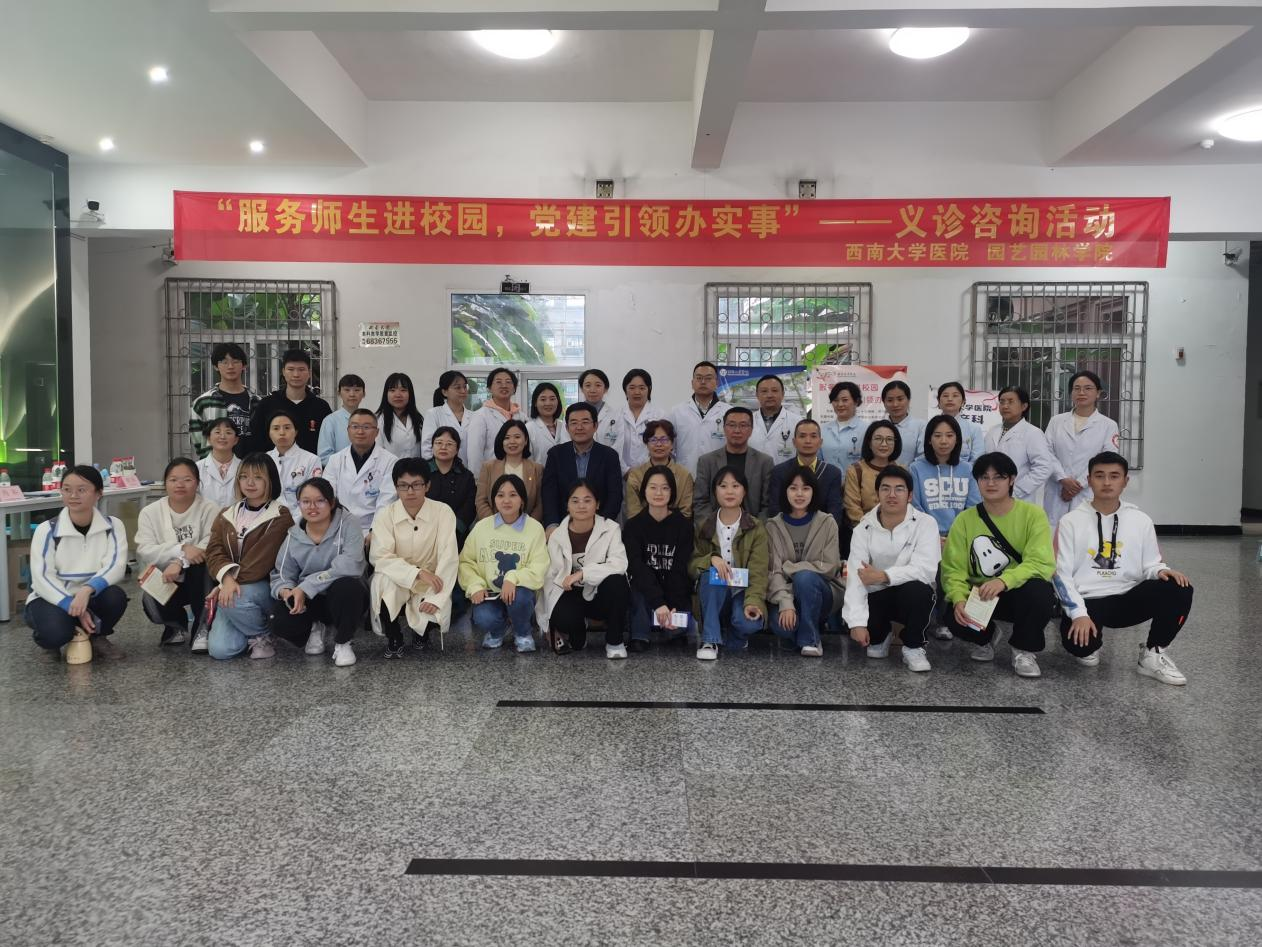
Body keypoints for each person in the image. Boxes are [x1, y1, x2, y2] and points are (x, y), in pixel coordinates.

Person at [1053, 451, 1193, 685]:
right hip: (1088, 600)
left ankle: (1153, 653)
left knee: (1179, 587)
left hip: (1127, 598)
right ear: (1089, 480)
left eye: (1114, 476)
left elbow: (1151, 563)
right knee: (1081, 648)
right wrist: (1078, 614)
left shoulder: (1141, 520)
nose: (1107, 482)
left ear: (1125, 481)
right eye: (1099, 476)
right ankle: (1091, 643)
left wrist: (1160, 571)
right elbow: (1060, 575)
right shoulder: (1070, 522)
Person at [941, 452, 1057, 678]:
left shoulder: (1032, 515)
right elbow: (953, 569)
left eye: (998, 477)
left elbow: (1041, 562)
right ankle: (986, 638)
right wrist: (958, 598)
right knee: (953, 617)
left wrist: (1004, 581)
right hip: (982, 594)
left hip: (1018, 591)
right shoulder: (964, 520)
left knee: (1040, 593)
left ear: (1012, 480)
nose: (991, 483)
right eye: (984, 477)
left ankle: (1023, 650)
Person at [843, 466, 941, 672]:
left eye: (899, 489)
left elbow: (925, 570)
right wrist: (856, 623)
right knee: (872, 648)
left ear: (910, 495)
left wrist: (883, 575)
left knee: (920, 590)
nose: (892, 495)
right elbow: (855, 576)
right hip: (877, 596)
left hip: (909, 595)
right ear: (877, 494)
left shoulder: (926, 523)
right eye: (885, 488)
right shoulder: (863, 528)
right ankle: (882, 635)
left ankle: (913, 646)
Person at [25, 465, 129, 660]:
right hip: (52, 599)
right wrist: (70, 604)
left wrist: (86, 591)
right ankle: (49, 641)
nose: (73, 495)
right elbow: (42, 578)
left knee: (115, 596)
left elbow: (116, 566)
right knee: (56, 633)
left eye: (82, 490)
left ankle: (97, 637)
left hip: (90, 596)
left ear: (98, 493)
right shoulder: (46, 530)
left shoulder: (113, 526)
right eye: (67, 489)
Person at [270, 477, 368, 667]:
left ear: (331, 502)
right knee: (279, 619)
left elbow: (350, 565)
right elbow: (282, 573)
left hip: (342, 596)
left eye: (320, 501)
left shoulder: (349, 524)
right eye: (306, 501)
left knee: (348, 587)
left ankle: (343, 641)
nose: (312, 507)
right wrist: (286, 591)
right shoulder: (294, 534)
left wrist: (306, 586)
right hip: (311, 600)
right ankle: (315, 626)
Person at [205, 454, 294, 660]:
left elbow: (260, 562)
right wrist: (226, 580)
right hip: (232, 586)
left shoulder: (280, 516)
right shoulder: (227, 513)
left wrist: (224, 585)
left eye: (258, 477)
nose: (249, 483)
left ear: (271, 480)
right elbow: (213, 550)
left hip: (265, 587)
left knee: (235, 598)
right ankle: (250, 627)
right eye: (244, 477)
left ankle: (263, 635)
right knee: (221, 651)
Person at [369, 459, 460, 659]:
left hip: (432, 578)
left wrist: (437, 598)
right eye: (403, 485)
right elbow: (380, 557)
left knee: (434, 605)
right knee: (382, 582)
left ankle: (422, 634)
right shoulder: (385, 515)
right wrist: (416, 573)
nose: (410, 491)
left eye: (417, 485)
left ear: (427, 486)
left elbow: (449, 557)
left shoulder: (443, 512)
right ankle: (394, 636)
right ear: (396, 488)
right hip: (398, 577)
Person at [536, 480, 632, 659]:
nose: (581, 505)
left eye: (587, 500)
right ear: (567, 506)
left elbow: (619, 564)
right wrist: (547, 623)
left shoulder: (611, 529)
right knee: (563, 621)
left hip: (599, 593)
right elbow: (549, 581)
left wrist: (583, 574)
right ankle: (579, 630)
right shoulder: (557, 536)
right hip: (571, 594)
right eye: (575, 501)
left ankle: (615, 641)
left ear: (597, 504)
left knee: (617, 582)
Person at [910, 415, 982, 640]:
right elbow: (914, 505)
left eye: (949, 435)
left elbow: (973, 506)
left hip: (959, 535)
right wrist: (933, 536)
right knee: (935, 570)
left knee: (963, 570)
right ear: (929, 439)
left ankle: (958, 621)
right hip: (925, 534)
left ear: (957, 439)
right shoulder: (916, 468)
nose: (943, 441)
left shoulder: (967, 469)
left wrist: (955, 537)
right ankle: (933, 621)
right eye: (938, 435)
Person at [459, 473, 550, 652]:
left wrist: (513, 578)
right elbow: (466, 562)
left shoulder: (534, 528)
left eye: (513, 495)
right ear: (494, 500)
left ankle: (522, 632)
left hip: (520, 592)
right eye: (500, 495)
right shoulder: (482, 527)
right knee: (483, 617)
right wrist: (475, 585)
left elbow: (539, 566)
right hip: (490, 592)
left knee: (521, 599)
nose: (506, 500)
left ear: (522, 500)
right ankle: (498, 631)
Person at [135, 458, 219, 646]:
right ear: (165, 483)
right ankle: (175, 625)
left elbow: (210, 543)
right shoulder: (150, 512)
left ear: (197, 483)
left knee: (202, 565)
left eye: (187, 479)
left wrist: (179, 561)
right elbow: (145, 549)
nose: (180, 485)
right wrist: (181, 549)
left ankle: (202, 628)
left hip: (200, 577)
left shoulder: (209, 508)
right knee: (150, 600)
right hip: (167, 576)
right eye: (173, 480)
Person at [690, 466, 768, 661]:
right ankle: (710, 640)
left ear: (744, 491)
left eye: (735, 486)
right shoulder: (704, 525)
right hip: (714, 593)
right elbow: (691, 565)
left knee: (749, 623)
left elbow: (759, 572)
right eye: (723, 486)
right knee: (711, 575)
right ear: (715, 492)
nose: (729, 491)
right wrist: (711, 559)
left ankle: (736, 635)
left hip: (742, 592)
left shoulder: (756, 527)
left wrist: (753, 602)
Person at [766, 467, 843, 657]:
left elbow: (829, 566)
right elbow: (773, 572)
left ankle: (810, 640)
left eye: (806, 488)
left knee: (805, 577)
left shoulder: (827, 522)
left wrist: (790, 568)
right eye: (793, 488)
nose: (799, 494)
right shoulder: (773, 526)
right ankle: (806, 629)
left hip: (821, 593)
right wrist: (786, 603)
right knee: (782, 627)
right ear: (785, 492)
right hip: (785, 593)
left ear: (814, 492)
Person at [622, 467, 696, 652]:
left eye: (665, 488)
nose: (658, 493)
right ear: (644, 491)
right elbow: (637, 567)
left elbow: (680, 568)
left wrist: (672, 606)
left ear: (672, 492)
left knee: (677, 639)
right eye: (653, 487)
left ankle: (674, 630)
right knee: (638, 585)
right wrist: (659, 602)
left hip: (675, 589)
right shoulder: (633, 526)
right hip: (646, 588)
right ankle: (640, 635)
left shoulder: (684, 526)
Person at [1043, 370, 1122, 529]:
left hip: (1087, 491)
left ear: (1098, 393)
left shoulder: (1108, 425)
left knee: (1087, 533)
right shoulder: (1056, 421)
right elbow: (1046, 453)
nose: (1081, 392)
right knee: (1054, 535)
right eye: (1077, 388)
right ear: (1071, 393)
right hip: (1057, 488)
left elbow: (1107, 460)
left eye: (1088, 388)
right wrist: (1062, 479)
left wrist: (1077, 485)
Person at [541, 403, 623, 534]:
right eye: (574, 423)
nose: (579, 427)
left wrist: (602, 525)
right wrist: (552, 524)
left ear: (595, 426)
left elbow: (615, 495)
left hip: (600, 525)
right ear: (567, 428)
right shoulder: (555, 454)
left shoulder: (609, 456)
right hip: (562, 525)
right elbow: (549, 494)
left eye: (585, 422)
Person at [322, 408, 399, 533]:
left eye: (366, 427)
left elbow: (386, 501)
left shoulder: (390, 461)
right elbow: (327, 496)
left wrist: (375, 531)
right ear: (348, 430)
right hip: (339, 527)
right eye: (355, 426)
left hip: (372, 527)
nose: (360, 431)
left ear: (377, 432)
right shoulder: (335, 460)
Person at [693, 407, 773, 523]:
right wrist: (714, 528)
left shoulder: (764, 462)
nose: (737, 430)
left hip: (754, 528)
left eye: (743, 425)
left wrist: (756, 529)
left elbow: (768, 505)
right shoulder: (706, 461)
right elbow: (700, 502)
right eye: (731, 425)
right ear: (724, 428)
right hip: (714, 528)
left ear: (751, 430)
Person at [246, 349, 332, 455]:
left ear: (309, 373)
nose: (296, 374)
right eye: (291, 369)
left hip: (312, 464)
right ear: (283, 372)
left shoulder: (321, 407)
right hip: (273, 463)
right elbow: (256, 440)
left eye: (301, 369)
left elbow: (328, 442)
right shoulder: (267, 404)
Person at [767, 419, 845, 530]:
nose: (808, 441)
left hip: (821, 533)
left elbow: (835, 511)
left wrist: (822, 533)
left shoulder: (832, 473)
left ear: (820, 442)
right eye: (802, 436)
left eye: (813, 436)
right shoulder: (780, 471)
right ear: (794, 442)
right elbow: (775, 509)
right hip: (786, 532)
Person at [984, 385, 1055, 503]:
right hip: (991, 494)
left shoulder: (1033, 433)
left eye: (1011, 402)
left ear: (1024, 406)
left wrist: (1016, 490)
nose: (1005, 406)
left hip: (1019, 498)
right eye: (1002, 402)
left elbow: (1044, 467)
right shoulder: (992, 431)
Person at [189, 342, 257, 459]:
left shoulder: (256, 402)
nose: (230, 366)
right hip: (214, 466)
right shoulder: (203, 403)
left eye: (235, 361)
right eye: (224, 362)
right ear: (216, 366)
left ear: (244, 366)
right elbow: (198, 441)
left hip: (249, 466)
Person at [669, 361, 731, 476]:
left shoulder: (728, 412)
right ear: (692, 383)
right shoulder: (677, 412)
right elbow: (670, 448)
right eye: (699, 378)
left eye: (708, 378)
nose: (703, 382)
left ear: (717, 383)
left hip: (719, 476)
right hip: (685, 476)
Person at [624, 419, 695, 519]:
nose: (659, 444)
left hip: (676, 526)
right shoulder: (635, 476)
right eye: (653, 440)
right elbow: (633, 513)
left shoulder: (684, 475)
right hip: (642, 526)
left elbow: (686, 513)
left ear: (672, 444)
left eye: (664, 440)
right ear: (646, 444)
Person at [475, 419, 543, 522]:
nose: (512, 442)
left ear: (525, 441)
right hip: (493, 526)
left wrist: (527, 525)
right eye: (507, 438)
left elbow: (540, 504)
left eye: (517, 437)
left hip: (526, 526)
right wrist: (494, 523)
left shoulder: (537, 469)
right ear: (501, 441)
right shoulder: (488, 467)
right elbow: (481, 501)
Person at [466, 367, 526, 476]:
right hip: (492, 476)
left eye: (508, 382)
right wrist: (478, 479)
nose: (504, 385)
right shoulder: (480, 416)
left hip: (519, 474)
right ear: (489, 388)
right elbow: (475, 453)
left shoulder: (521, 416)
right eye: (498, 382)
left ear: (514, 388)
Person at [265, 408, 323, 516]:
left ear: (295, 432)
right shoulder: (264, 459)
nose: (282, 433)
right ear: (269, 433)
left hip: (300, 518)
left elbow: (313, 496)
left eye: (287, 428)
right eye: (276, 428)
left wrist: (293, 521)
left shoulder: (312, 460)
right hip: (267, 518)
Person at [843, 420, 902, 528]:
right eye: (878, 439)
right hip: (864, 530)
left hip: (897, 529)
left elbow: (906, 505)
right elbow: (852, 508)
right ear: (869, 443)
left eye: (889, 439)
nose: (884, 444)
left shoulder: (902, 471)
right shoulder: (855, 470)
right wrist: (870, 530)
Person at [425, 426, 477, 546]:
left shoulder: (466, 476)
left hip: (456, 535)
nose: (443, 447)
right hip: (424, 532)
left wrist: (455, 529)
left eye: (449, 444)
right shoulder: (421, 472)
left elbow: (469, 506)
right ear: (432, 446)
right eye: (438, 443)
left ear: (457, 449)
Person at [616, 369, 663, 474]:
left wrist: (645, 472)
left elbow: (665, 447)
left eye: (642, 388)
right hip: (621, 475)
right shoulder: (615, 417)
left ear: (649, 389)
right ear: (625, 390)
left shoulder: (660, 416)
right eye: (632, 388)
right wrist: (626, 471)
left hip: (653, 474)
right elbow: (612, 448)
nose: (637, 392)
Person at [747, 374, 801, 465]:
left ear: (783, 394)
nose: (769, 395)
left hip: (786, 474)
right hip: (753, 473)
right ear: (757, 395)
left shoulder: (797, 422)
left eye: (774, 390)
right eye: (764, 391)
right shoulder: (747, 421)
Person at [422, 370, 472, 464]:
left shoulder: (474, 416)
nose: (463, 391)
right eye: (457, 387)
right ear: (445, 392)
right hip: (441, 469)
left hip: (469, 469)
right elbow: (427, 447)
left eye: (465, 387)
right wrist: (433, 469)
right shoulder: (434, 414)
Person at [317, 373, 366, 465]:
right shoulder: (330, 420)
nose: (352, 394)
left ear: (363, 394)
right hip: (339, 471)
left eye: (357, 390)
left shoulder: (369, 420)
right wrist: (349, 465)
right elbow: (324, 456)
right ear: (339, 393)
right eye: (347, 390)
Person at [375, 372, 425, 460]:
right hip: (390, 468)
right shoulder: (378, 420)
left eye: (403, 390)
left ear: (410, 394)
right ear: (386, 394)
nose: (398, 395)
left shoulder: (419, 419)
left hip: (417, 467)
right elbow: (377, 452)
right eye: (392, 390)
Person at [820, 381, 868, 470]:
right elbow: (819, 461)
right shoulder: (823, 430)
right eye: (835, 400)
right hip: (827, 478)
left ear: (856, 401)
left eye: (845, 400)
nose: (840, 404)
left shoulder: (867, 430)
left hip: (856, 479)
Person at [935, 381, 986, 465]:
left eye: (955, 396)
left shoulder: (974, 429)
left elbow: (977, 459)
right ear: (938, 401)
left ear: (963, 401)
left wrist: (961, 471)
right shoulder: (930, 427)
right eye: (945, 396)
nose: (950, 399)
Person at [196, 417, 242, 509]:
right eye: (217, 432)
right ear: (209, 438)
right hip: (205, 518)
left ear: (236, 440)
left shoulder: (244, 467)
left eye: (228, 432)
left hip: (237, 517)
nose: (222, 436)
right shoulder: (197, 468)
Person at [579, 369, 624, 458]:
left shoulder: (616, 416)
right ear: (582, 389)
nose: (592, 390)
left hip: (607, 464)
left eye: (598, 385)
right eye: (588, 385)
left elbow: (618, 445)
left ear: (605, 389)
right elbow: (566, 442)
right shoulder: (572, 414)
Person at [882, 380, 925, 467]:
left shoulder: (921, 426)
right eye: (890, 400)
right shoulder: (878, 427)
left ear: (908, 400)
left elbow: (923, 457)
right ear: (884, 403)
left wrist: (904, 471)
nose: (895, 404)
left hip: (910, 474)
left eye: (900, 399)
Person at [526, 381, 570, 462]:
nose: (548, 403)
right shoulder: (529, 428)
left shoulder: (564, 426)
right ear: (535, 403)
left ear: (558, 401)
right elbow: (527, 461)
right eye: (543, 399)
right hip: (539, 470)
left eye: (552, 399)